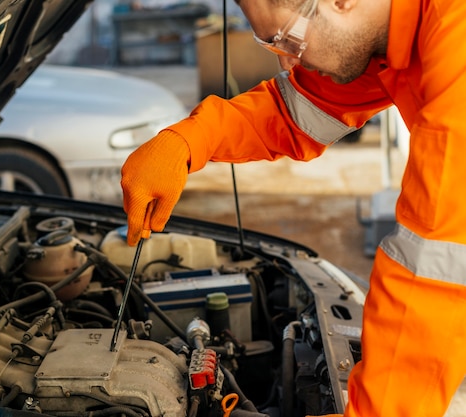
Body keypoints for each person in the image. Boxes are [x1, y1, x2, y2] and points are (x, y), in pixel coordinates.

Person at [120, 0, 466, 416]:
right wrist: (189, 140)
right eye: (270, 45)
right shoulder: (391, 35)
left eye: (288, 40)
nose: (286, 63)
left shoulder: (456, 36)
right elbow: (294, 113)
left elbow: (434, 269)